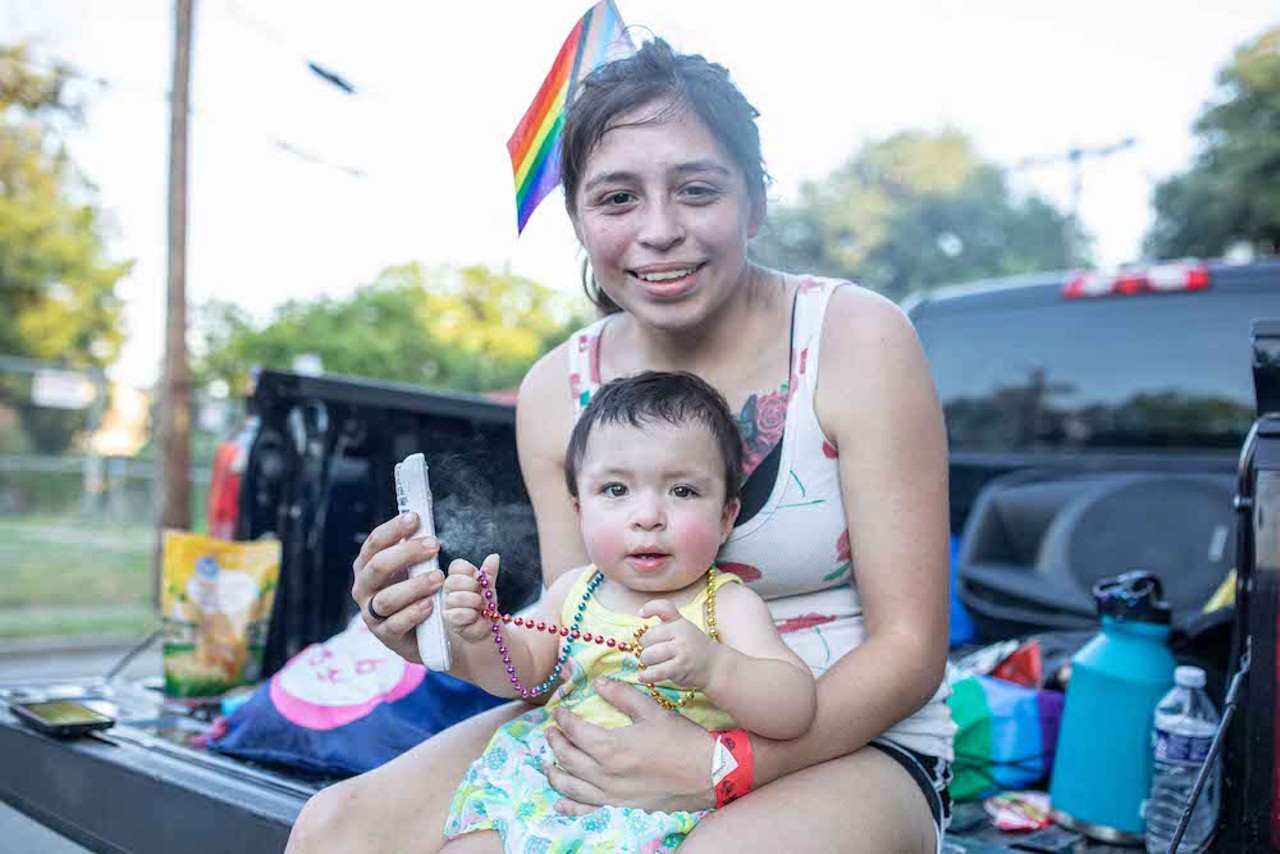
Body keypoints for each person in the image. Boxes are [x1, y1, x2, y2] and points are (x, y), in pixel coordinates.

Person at [289, 36, 954, 854]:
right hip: (612, 722)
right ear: (578, 219)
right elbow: (570, 637)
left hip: (849, 737)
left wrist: (720, 764)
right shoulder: (554, 390)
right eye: (616, 199)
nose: (661, 231)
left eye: (697, 189)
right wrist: (446, 636)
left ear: (755, 203)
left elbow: (911, 648)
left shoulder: (856, 337)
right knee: (337, 832)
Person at [440, 371, 816, 852]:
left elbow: (795, 708)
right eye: (616, 490)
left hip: (652, 807)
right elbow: (525, 675)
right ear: (579, 511)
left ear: (726, 517)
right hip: (550, 782)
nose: (647, 516)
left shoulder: (725, 604)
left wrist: (717, 667)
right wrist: (483, 635)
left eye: (682, 491)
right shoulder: (574, 591)